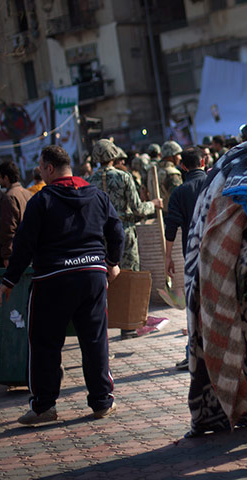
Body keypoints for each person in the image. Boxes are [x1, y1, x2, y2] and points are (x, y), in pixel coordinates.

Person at [0, 145, 125, 426]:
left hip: (53, 280)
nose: (39, 171)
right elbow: (117, 231)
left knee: (44, 343)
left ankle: (43, 407)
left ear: (49, 169)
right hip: (92, 276)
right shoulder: (97, 196)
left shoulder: (42, 201)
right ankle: (101, 402)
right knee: (95, 340)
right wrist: (111, 262)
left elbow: (24, 244)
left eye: (40, 167)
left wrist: (9, 281)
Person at [89, 139, 162, 339]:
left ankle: (102, 325)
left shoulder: (88, 181)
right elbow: (138, 209)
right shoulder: (124, 177)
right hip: (124, 232)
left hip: (99, 235)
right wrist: (153, 204)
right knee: (129, 276)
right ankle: (129, 326)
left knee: (103, 279)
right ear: (114, 155)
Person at [164, 146, 208, 369]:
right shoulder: (215, 183)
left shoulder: (179, 193)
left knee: (194, 304)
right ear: (204, 162)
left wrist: (167, 257)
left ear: (183, 166)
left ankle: (194, 355)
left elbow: (171, 226)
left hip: (192, 256)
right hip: (220, 253)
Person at [0, 161, 32, 267]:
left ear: (6, 178)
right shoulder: (28, 193)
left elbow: (8, 229)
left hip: (19, 253)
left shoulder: (9, 197)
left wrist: (7, 255)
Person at [148, 140, 183, 214]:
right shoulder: (172, 173)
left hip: (156, 213)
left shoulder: (152, 170)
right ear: (171, 156)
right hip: (171, 214)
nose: (180, 158)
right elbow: (178, 199)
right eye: (178, 154)